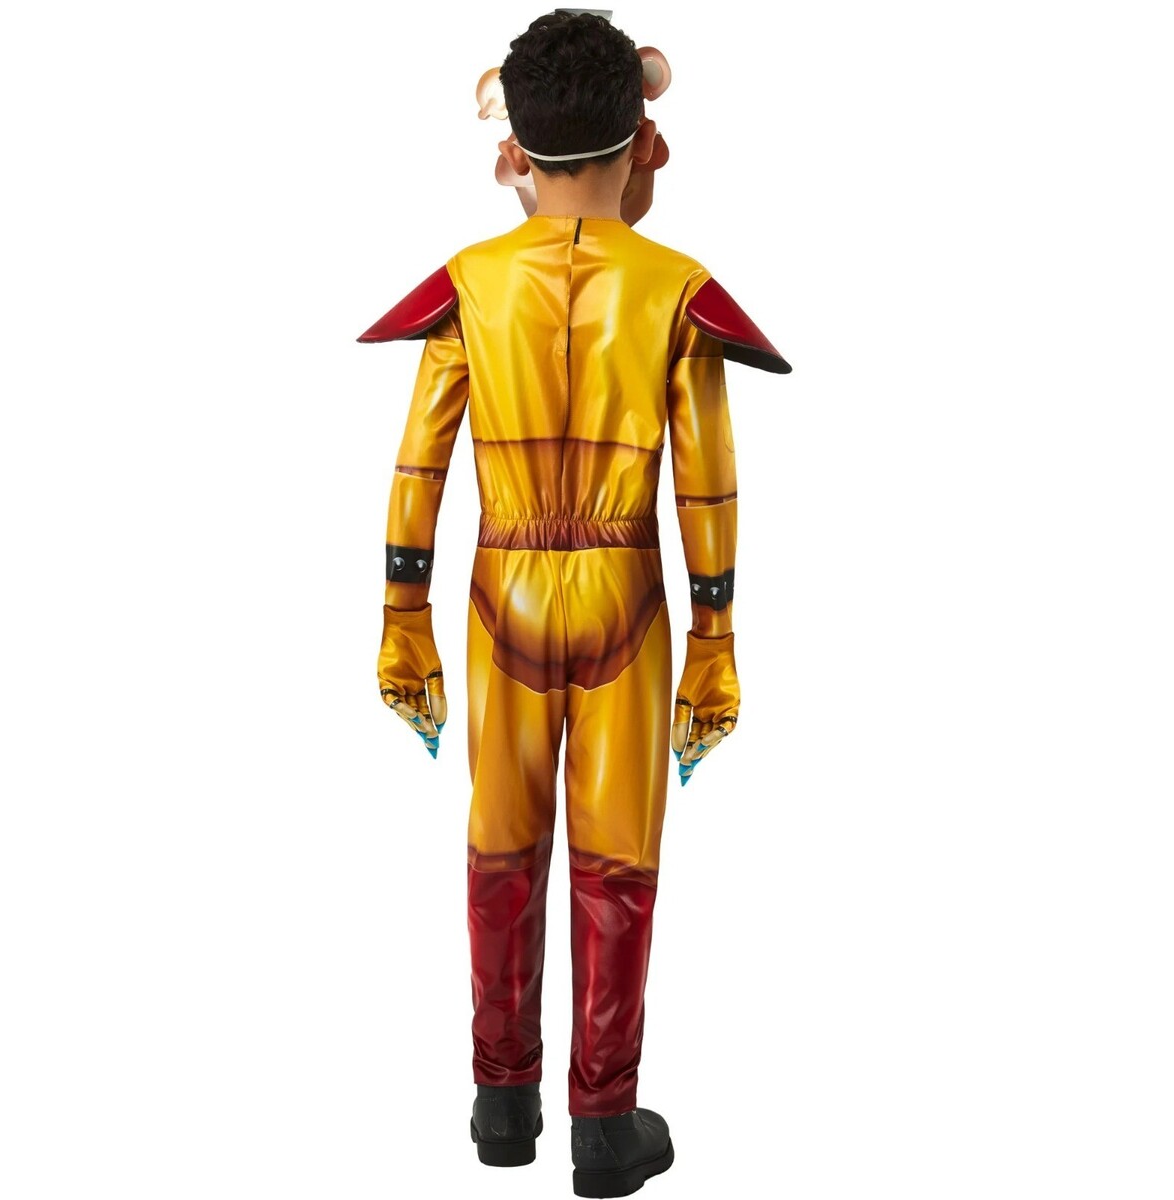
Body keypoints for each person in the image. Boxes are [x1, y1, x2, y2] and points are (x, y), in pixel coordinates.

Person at [359, 11, 790, 1196]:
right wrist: (715, 640)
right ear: (641, 138)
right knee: (618, 860)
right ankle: (603, 1121)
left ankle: (502, 1103)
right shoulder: (676, 291)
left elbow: (417, 470)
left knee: (500, 843)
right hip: (625, 588)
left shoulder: (469, 287)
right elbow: (706, 484)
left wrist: (402, 623)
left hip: (501, 584)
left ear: (515, 146)